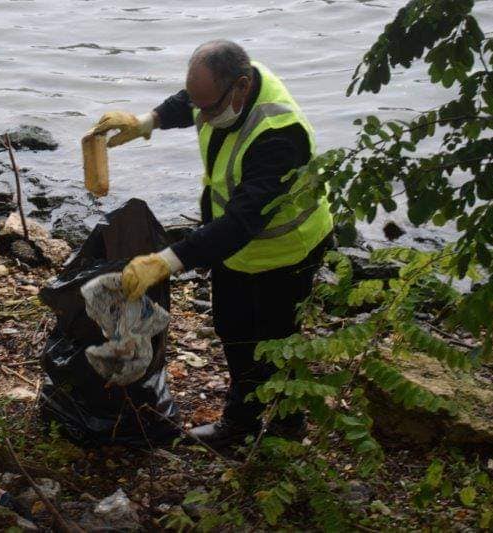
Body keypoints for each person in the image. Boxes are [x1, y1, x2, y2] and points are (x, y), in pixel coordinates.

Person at [91, 40, 333, 447]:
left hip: (286, 250)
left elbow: (242, 223)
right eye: (197, 104)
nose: (200, 115)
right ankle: (241, 424)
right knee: (233, 329)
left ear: (241, 86)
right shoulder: (226, 89)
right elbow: (190, 100)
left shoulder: (278, 135)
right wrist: (146, 122)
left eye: (207, 108)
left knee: (276, 340)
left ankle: (287, 426)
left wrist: (165, 261)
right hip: (234, 249)